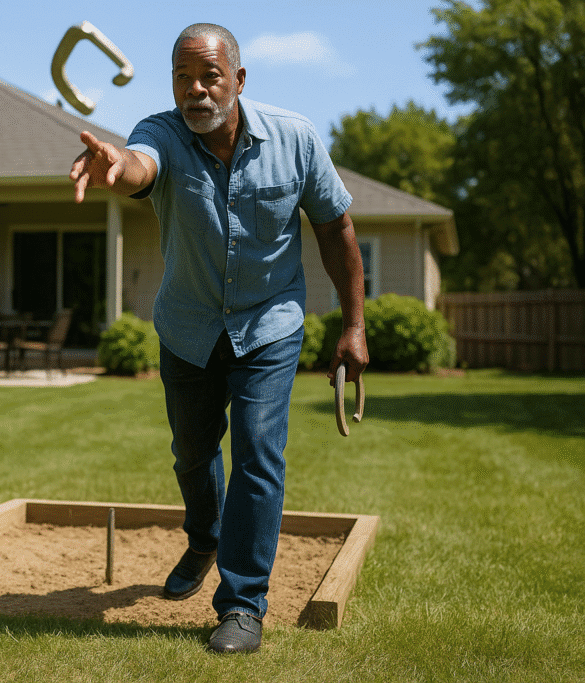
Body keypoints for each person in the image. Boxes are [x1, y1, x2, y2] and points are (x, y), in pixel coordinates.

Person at [70, 23, 368, 653]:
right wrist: (113, 167)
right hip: (188, 326)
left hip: (269, 323)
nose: (196, 90)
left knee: (259, 453)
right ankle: (203, 536)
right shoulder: (162, 134)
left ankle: (242, 604)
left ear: (238, 79)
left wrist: (354, 324)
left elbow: (336, 228)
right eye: (183, 77)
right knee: (192, 451)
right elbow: (137, 166)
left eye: (209, 76)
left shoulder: (295, 137)